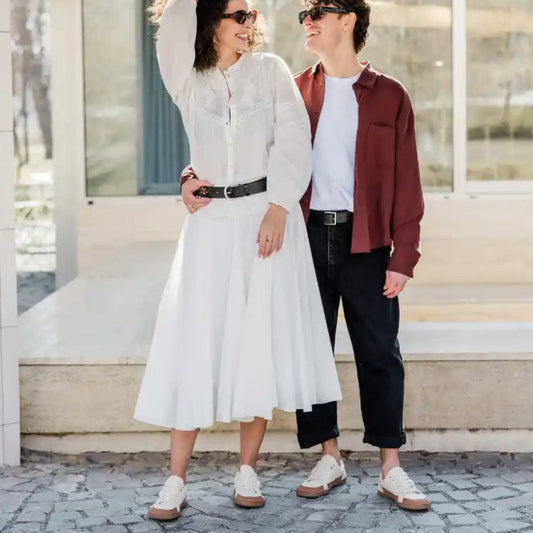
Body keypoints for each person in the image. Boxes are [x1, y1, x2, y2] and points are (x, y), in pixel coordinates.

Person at [182, 0, 430, 514]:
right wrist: (190, 175)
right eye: (304, 15)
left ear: (349, 19)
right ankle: (328, 456)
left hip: (367, 242)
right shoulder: (292, 87)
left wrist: (403, 255)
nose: (308, 21)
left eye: (319, 11)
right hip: (302, 236)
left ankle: (391, 466)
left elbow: (408, 180)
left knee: (380, 352)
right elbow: (239, 147)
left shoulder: (390, 95)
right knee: (310, 349)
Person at [134, 0, 342, 522]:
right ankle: (176, 479)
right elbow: (175, 21)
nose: (249, 25)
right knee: (195, 342)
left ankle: (247, 469)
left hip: (263, 220)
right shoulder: (187, 77)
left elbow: (294, 138)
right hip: (210, 226)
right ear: (210, 22)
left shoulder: (270, 70)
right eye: (237, 16)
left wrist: (278, 207)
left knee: (257, 344)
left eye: (252, 16)